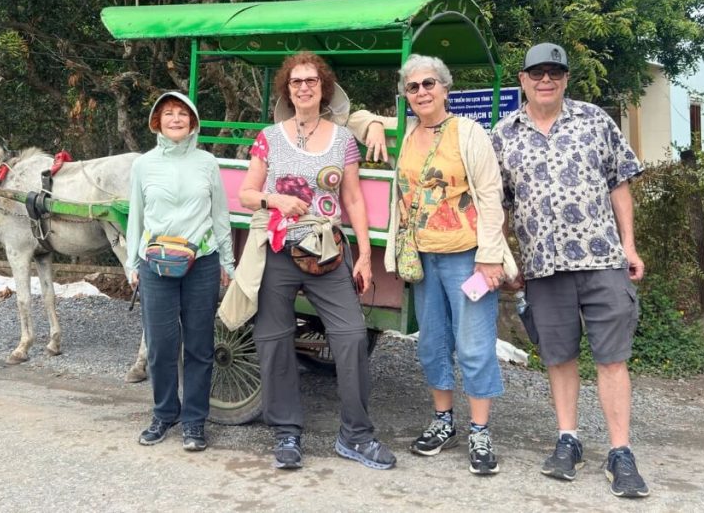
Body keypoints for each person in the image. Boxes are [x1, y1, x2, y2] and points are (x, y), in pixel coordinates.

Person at [491, 43, 649, 498]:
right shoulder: (503, 134)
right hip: (543, 267)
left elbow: (619, 184)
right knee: (558, 357)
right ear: (522, 79)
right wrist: (507, 259)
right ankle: (568, 439)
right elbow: (496, 204)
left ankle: (621, 451)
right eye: (537, 72)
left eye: (554, 73)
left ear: (565, 79)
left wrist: (630, 246)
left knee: (612, 357)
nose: (546, 80)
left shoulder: (595, 120)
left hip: (602, 261)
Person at [236, 51, 395, 470]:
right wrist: (275, 197)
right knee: (273, 338)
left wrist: (363, 256)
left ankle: (356, 435)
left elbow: (354, 198)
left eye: (311, 80)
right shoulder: (269, 137)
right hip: (278, 249)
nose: (303, 87)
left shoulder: (343, 140)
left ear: (323, 88)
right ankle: (286, 431)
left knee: (351, 335)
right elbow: (247, 193)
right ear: (287, 90)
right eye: (295, 82)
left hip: (327, 253)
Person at [352, 55, 509, 475]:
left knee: (474, 344)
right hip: (422, 257)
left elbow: (491, 195)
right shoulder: (406, 135)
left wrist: (491, 255)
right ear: (405, 95)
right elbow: (352, 114)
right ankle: (444, 421)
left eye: (429, 84)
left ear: (445, 89)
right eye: (413, 87)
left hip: (467, 256)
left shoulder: (468, 132)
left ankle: (479, 429)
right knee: (432, 343)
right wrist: (370, 126)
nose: (421, 92)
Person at [126, 92, 235, 452]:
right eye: (168, 113)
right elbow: (136, 217)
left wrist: (227, 261)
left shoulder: (207, 163)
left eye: (182, 114)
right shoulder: (144, 165)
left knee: (200, 346)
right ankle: (163, 414)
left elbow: (220, 215)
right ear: (157, 121)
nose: (175, 119)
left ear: (194, 122)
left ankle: (194, 422)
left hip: (201, 262)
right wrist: (132, 263)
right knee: (160, 345)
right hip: (155, 264)